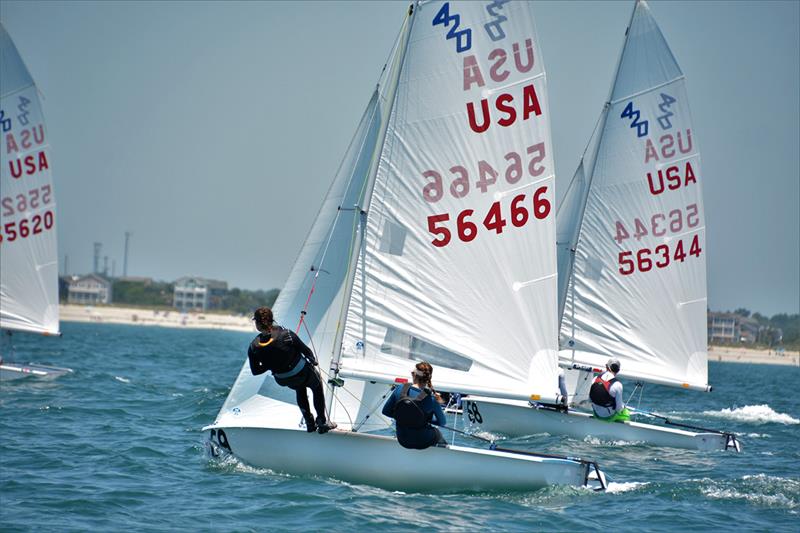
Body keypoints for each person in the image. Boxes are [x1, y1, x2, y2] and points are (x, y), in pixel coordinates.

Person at [247, 307, 337, 434]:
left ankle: (309, 423)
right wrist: (313, 360)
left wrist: (269, 364)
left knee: (299, 388)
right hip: (301, 372)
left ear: (257, 324)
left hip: (283, 379)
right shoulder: (286, 334)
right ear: (272, 320)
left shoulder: (253, 346)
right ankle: (321, 421)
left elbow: (255, 371)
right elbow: (306, 351)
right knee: (316, 386)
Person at [381, 362, 447, 450]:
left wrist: (405, 416)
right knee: (437, 432)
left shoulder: (400, 388)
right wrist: (424, 418)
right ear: (428, 378)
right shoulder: (431, 398)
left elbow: (385, 411)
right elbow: (442, 422)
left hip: (403, 440)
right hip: (423, 442)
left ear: (414, 375)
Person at [589, 358, 630, 422]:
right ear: (618, 370)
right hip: (608, 417)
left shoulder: (595, 379)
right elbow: (618, 409)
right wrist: (623, 407)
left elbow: (590, 399)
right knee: (626, 413)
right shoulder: (618, 385)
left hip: (596, 414)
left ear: (606, 367)